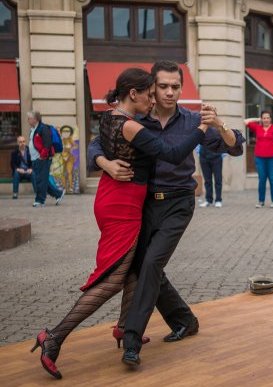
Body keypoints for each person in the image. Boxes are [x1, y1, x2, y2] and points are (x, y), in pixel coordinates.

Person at [31, 67, 209, 379]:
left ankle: (126, 327)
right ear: (134, 94)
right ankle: (54, 336)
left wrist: (103, 162)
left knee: (133, 270)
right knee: (113, 278)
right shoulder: (131, 125)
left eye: (165, 91)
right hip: (123, 204)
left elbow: (99, 146)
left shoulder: (110, 116)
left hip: (117, 197)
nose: (155, 100)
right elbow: (173, 152)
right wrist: (202, 129)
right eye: (151, 94)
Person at [88, 60, 244, 367]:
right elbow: (97, 143)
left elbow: (235, 146)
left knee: (151, 265)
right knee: (144, 266)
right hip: (143, 203)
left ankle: (131, 340)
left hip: (178, 203)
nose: (170, 92)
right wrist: (106, 164)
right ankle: (184, 319)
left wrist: (219, 124)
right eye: (163, 87)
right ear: (151, 88)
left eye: (176, 87)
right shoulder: (138, 118)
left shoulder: (191, 121)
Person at [245, 111, 273, 208]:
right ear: (262, 119)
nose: (266, 120)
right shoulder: (258, 127)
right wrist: (257, 119)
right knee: (262, 180)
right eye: (264, 118)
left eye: (267, 118)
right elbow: (245, 121)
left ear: (270, 119)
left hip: (272, 158)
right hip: (260, 158)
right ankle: (261, 201)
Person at [28, 111, 65, 207]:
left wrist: (42, 156)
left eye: (29, 118)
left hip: (43, 159)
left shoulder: (43, 128)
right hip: (35, 159)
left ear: (35, 119)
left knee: (40, 180)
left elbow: (47, 144)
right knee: (42, 179)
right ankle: (58, 194)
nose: (28, 120)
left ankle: (40, 200)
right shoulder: (33, 129)